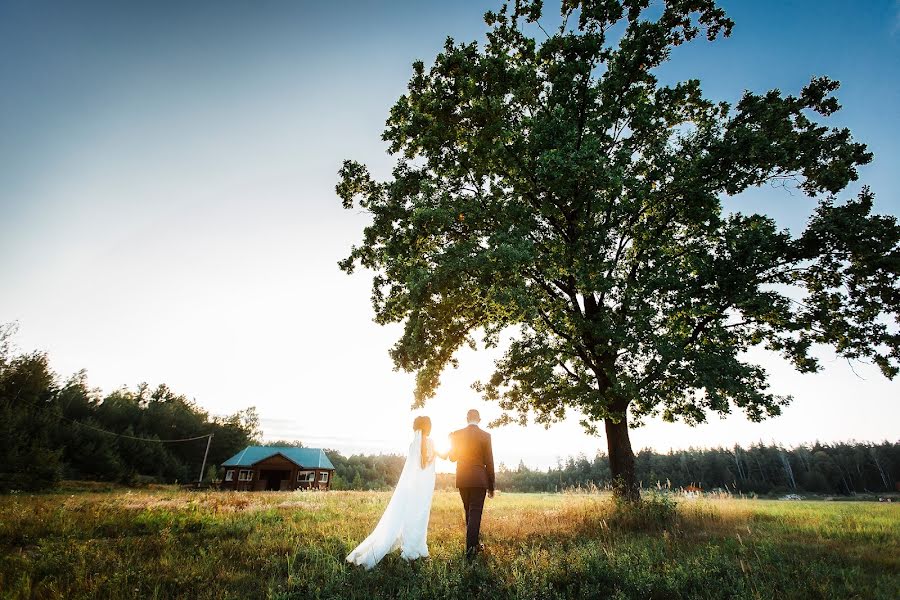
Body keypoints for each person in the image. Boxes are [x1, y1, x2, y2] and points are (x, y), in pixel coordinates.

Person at [346, 415, 447, 569]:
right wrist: (439, 454)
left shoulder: (413, 444)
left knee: (411, 517)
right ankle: (415, 550)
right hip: (423, 489)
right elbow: (426, 462)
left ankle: (411, 548)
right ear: (428, 426)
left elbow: (417, 464)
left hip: (413, 489)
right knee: (420, 517)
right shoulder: (430, 442)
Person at [447, 409, 495, 561]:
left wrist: (451, 440)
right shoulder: (486, 436)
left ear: (467, 419)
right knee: (475, 514)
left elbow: (452, 458)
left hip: (463, 479)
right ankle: (470, 551)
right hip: (479, 480)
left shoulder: (457, 434)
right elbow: (489, 461)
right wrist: (491, 485)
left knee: (469, 512)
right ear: (479, 420)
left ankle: (473, 544)